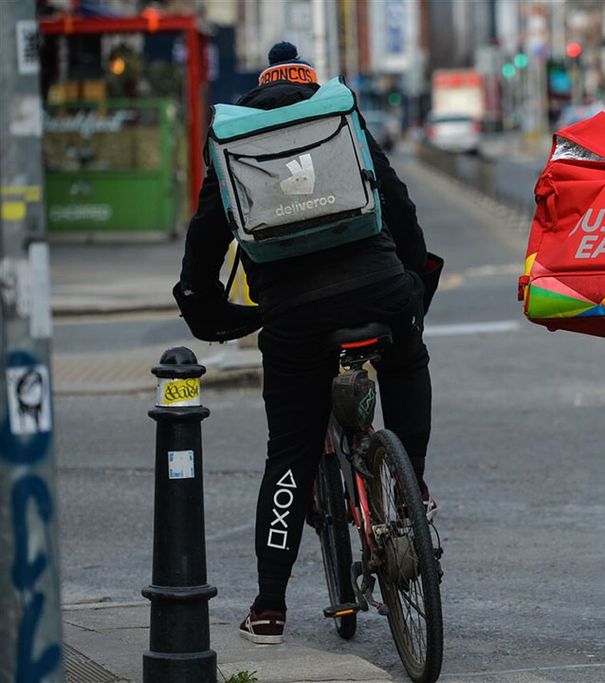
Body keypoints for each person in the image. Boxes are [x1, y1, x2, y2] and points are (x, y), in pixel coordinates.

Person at [173, 42, 437, 645]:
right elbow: (395, 199)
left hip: (293, 315)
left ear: (262, 84)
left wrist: (210, 307)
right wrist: (415, 277)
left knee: (289, 452)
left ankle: (269, 607)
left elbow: (206, 236)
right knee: (406, 361)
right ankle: (411, 490)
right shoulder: (338, 113)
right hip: (380, 289)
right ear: (307, 80)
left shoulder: (233, 137)